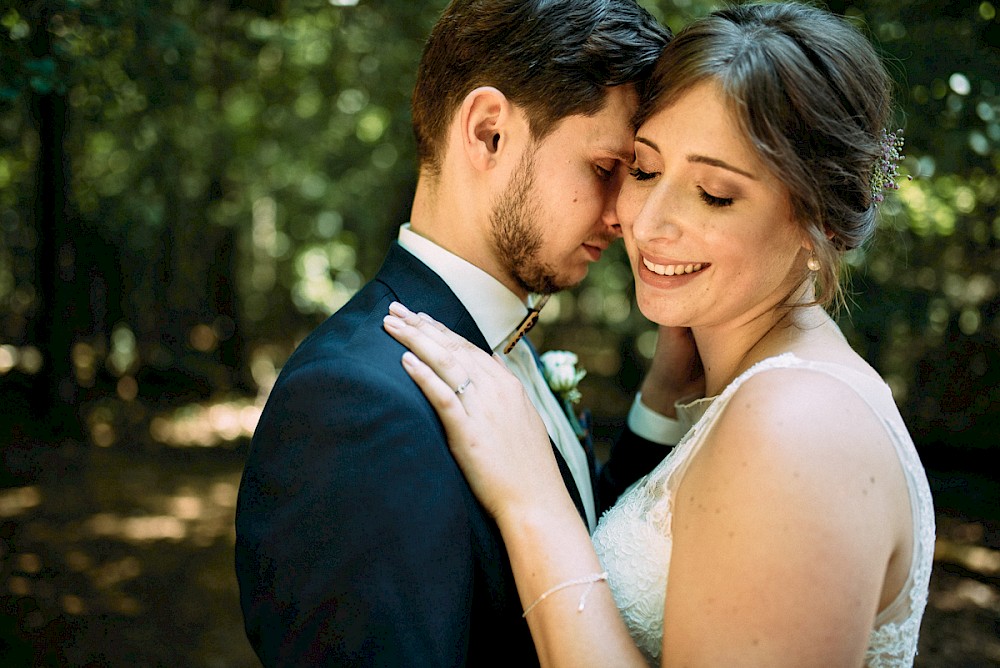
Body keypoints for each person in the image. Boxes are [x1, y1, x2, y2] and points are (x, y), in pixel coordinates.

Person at [383, 3, 936, 667]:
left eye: (714, 194)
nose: (645, 222)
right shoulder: (750, 392)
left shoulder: (798, 427)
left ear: (820, 226)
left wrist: (534, 500)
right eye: (642, 170)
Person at [234, 1, 675, 665]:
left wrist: (666, 396)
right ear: (489, 132)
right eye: (604, 168)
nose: (626, 216)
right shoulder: (356, 404)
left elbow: (576, 553)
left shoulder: (506, 343)